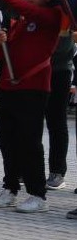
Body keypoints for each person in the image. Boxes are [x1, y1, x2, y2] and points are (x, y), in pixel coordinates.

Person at [0, 0, 66, 214]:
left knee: (29, 142)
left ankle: (37, 193)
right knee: (7, 140)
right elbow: (4, 56)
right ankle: (10, 187)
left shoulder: (52, 16)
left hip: (33, 88)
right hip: (9, 87)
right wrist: (0, 44)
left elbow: (30, 10)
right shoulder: (21, 21)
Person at [45, 27, 75, 190]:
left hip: (59, 69)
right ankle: (24, 169)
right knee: (28, 122)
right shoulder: (31, 6)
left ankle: (57, 171)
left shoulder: (65, 6)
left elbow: (65, 46)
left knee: (56, 122)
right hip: (33, 70)